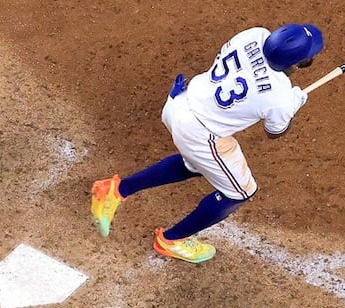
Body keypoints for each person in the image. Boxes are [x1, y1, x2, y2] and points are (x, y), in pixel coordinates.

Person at [91, 23, 325, 263]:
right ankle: (172, 240)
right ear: (295, 65)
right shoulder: (281, 99)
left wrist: (286, 100)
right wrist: (292, 106)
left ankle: (116, 190)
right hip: (201, 133)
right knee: (240, 192)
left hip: (179, 102)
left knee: (194, 163)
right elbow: (275, 133)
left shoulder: (253, 35)